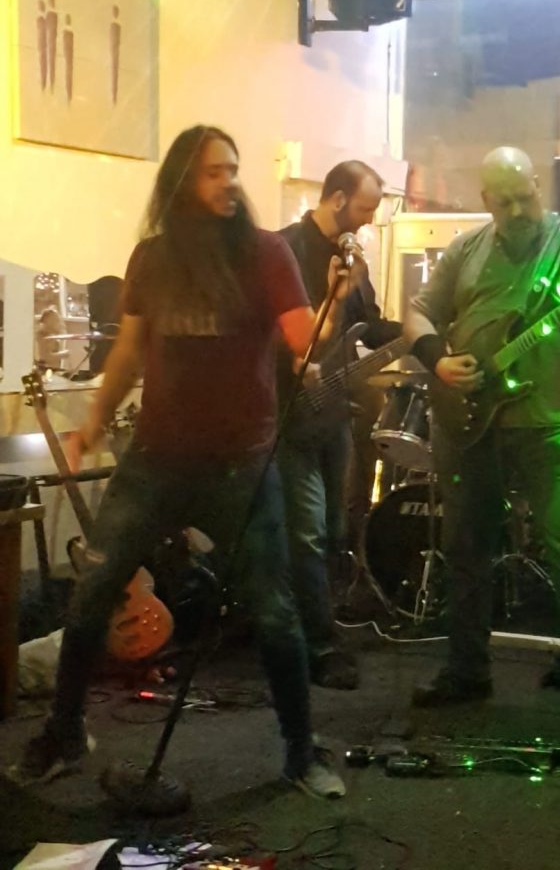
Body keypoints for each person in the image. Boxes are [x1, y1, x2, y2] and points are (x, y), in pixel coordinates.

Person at [8, 125, 348, 798]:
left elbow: (303, 339)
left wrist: (334, 297)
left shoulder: (266, 252)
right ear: (181, 182)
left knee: (275, 614)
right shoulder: (153, 258)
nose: (230, 182)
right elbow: (129, 351)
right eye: (214, 171)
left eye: (234, 169)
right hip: (155, 461)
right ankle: (67, 732)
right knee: (91, 596)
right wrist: (92, 425)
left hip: (241, 467)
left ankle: (300, 752)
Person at [404, 145, 560, 749]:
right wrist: (438, 360)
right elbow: (418, 315)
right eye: (503, 202)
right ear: (486, 201)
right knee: (465, 550)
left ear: (538, 186)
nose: (517, 210)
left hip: (549, 424)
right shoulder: (466, 250)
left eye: (524, 197)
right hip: (468, 423)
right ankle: (466, 672)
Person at [277, 161, 401, 690]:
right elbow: (269, 328)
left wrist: (421, 332)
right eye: (365, 208)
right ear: (336, 199)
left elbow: (367, 329)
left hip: (334, 415)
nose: (370, 220)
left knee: (332, 530)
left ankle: (318, 624)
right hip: (290, 416)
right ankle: (317, 645)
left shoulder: (356, 264)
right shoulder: (283, 251)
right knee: (306, 532)